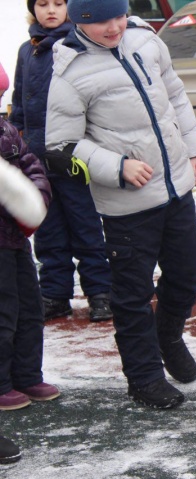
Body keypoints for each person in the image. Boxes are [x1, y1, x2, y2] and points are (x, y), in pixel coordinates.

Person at [44, 0, 196, 409]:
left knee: (189, 273)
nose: (113, 27)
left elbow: (175, 95)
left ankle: (167, 336)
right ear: (79, 20)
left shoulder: (145, 39)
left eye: (118, 15)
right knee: (132, 294)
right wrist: (116, 167)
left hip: (176, 187)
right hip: (128, 205)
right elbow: (61, 145)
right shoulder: (70, 72)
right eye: (100, 21)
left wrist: (193, 150)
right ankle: (144, 377)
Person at [10, 0, 112, 323]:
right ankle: (55, 294)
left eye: (58, 3)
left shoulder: (78, 44)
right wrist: (17, 142)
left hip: (73, 156)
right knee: (49, 230)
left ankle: (100, 293)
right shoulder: (28, 50)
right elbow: (20, 103)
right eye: (43, 3)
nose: (50, 10)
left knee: (86, 227)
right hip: (37, 157)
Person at [0, 61, 60, 412]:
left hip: (16, 238)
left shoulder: (7, 130)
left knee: (29, 307)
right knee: (3, 311)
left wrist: (37, 194)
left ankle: (26, 373)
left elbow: (30, 165)